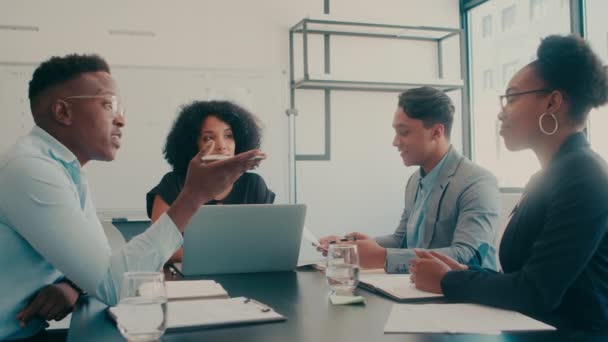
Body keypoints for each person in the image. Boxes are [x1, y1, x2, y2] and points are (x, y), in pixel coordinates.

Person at [0, 54, 264, 340]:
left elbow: (103, 266)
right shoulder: (31, 170)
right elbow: (115, 286)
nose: (121, 119)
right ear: (63, 112)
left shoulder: (64, 168)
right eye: (108, 104)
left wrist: (72, 286)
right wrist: (194, 196)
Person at [410, 35, 608, 332]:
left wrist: (448, 280)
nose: (502, 111)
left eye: (512, 98)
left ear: (553, 102)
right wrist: (465, 271)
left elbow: (536, 292)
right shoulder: (550, 175)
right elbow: (526, 276)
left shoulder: (585, 176)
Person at [319, 87, 501, 272]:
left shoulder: (477, 183)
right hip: (420, 291)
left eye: (404, 132)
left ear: (436, 132)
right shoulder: (415, 181)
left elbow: (468, 256)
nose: (395, 142)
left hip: (464, 297)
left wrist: (381, 256)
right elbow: (402, 240)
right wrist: (351, 247)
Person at [146, 100, 275, 262]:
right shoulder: (173, 184)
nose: (222, 145)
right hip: (186, 281)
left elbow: (267, 243)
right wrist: (223, 257)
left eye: (229, 136)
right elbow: (158, 249)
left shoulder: (254, 185)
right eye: (208, 138)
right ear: (194, 146)